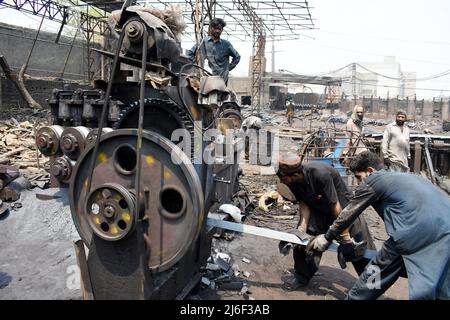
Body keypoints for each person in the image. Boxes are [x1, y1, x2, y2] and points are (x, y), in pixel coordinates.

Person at [306, 151, 450, 300]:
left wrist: (327, 237)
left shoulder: (374, 180)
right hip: (445, 228)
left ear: (370, 171)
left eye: (358, 177)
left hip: (415, 232)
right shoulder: (409, 177)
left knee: (379, 268)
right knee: (440, 278)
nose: (358, 183)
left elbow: (348, 213)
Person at [276, 154, 376, 290]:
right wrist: (302, 228)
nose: (282, 182)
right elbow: (303, 202)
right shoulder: (292, 181)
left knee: (359, 247)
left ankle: (373, 285)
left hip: (343, 207)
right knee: (304, 242)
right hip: (318, 208)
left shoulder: (320, 174)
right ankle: (301, 276)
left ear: (295, 175)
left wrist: (345, 238)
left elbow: (335, 206)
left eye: (283, 178)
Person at [187, 18, 240, 84]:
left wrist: (228, 69)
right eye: (215, 28)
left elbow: (237, 57)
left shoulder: (226, 44)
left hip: (222, 78)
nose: (217, 31)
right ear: (211, 28)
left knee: (216, 93)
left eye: (219, 29)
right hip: (209, 76)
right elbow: (190, 53)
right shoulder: (204, 42)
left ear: (222, 30)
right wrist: (196, 66)